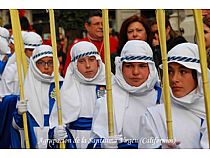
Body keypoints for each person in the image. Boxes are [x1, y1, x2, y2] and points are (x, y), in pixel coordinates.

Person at [89, 40, 161, 149]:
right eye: (129, 66)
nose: (135, 72)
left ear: (150, 68)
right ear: (120, 67)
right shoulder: (107, 101)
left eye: (142, 66)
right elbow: (92, 144)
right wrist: (102, 145)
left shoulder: (162, 99)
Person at [138, 43, 207, 149]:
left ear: (198, 75)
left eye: (183, 71)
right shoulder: (154, 116)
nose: (174, 79)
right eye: (170, 72)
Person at [49, 41, 106, 149]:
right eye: (82, 61)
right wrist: (55, 132)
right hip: (76, 140)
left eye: (91, 60)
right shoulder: (67, 88)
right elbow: (56, 121)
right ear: (75, 65)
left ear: (98, 61)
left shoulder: (110, 85)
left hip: (103, 141)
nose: (88, 65)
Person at [11, 45, 63, 148]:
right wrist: (19, 114)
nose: (46, 67)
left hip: (57, 136)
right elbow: (16, 126)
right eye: (41, 62)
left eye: (50, 62)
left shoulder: (63, 85)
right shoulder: (26, 88)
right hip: (33, 136)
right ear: (34, 64)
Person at [63, 10, 118, 76]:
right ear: (87, 26)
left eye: (103, 24)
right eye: (97, 24)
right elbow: (68, 72)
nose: (101, 27)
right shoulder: (78, 45)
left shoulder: (114, 42)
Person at [0, 31, 43, 97]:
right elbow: (3, 98)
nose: (34, 53)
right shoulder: (12, 70)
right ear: (24, 50)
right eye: (31, 50)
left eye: (37, 50)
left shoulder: (46, 69)